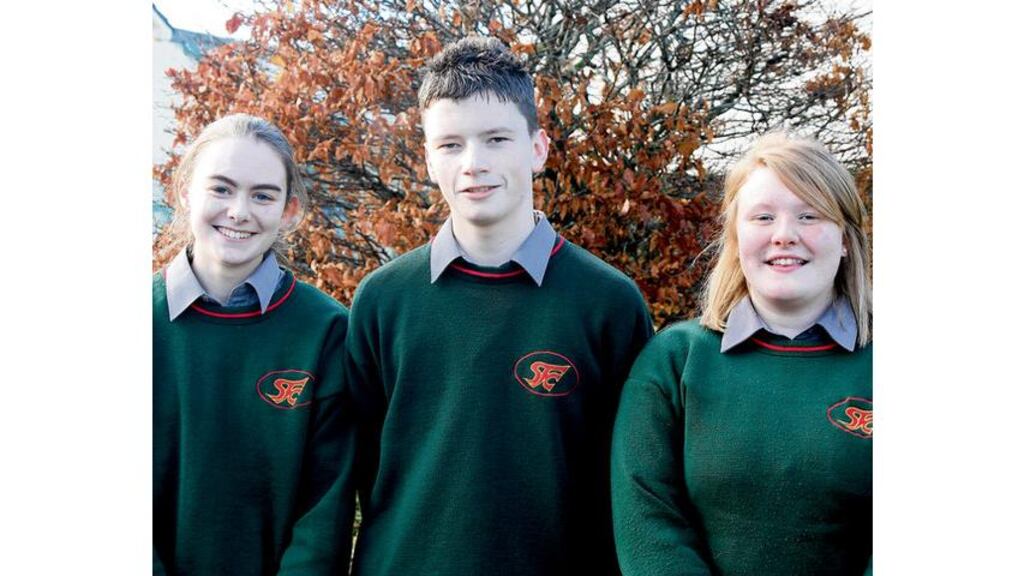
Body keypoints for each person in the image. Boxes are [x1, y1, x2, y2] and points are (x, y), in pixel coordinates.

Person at [345, 37, 654, 575]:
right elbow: (363, 468)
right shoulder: (381, 300)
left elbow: (631, 482)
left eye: (496, 139)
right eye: (450, 144)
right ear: (426, 157)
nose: (473, 164)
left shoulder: (609, 304)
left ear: (537, 148)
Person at [611, 132, 873, 575]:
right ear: (735, 235)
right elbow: (648, 521)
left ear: (846, 238)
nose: (784, 236)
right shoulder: (675, 362)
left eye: (809, 215)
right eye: (763, 217)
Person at [153, 114, 355, 575]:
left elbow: (326, 506)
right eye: (221, 189)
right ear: (185, 191)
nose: (240, 211)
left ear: (288, 210)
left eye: (262, 195)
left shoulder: (325, 332)